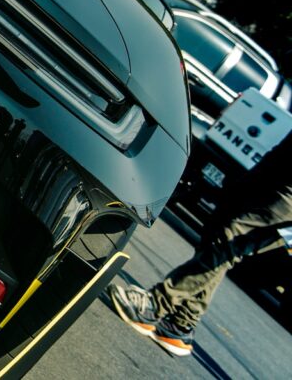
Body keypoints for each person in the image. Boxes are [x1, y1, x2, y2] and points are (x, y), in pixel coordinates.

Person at [108, 130, 292, 356]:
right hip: (277, 164)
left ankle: (157, 303)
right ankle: (181, 323)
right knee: (219, 224)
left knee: (229, 240)